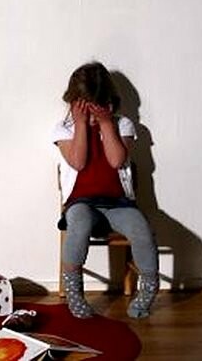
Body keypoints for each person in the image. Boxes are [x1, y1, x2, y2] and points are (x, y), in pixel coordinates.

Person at [51, 62, 159, 318]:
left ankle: (148, 290)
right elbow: (78, 162)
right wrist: (81, 125)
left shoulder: (123, 125)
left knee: (141, 229)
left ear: (108, 103)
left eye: (96, 108)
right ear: (73, 103)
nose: (91, 115)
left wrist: (106, 123)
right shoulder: (64, 129)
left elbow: (116, 160)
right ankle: (75, 294)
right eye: (85, 109)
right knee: (78, 224)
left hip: (117, 203)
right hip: (81, 203)